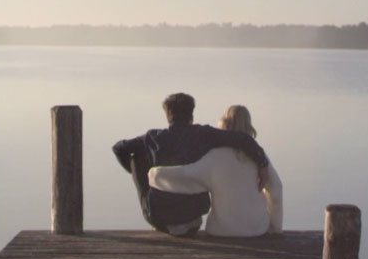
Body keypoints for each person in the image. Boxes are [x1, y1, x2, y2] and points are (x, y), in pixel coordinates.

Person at [113, 93, 271, 237]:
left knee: (136, 157)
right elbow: (244, 139)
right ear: (192, 115)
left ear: (168, 116)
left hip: (159, 217)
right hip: (193, 216)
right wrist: (262, 164)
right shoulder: (204, 134)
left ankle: (157, 201)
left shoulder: (152, 137)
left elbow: (119, 148)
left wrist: (137, 172)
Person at [148, 105, 283, 237]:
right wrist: (275, 227)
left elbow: (186, 175)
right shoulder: (259, 158)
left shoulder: (214, 157)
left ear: (224, 124)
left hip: (221, 230)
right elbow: (276, 189)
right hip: (257, 229)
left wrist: (154, 174)